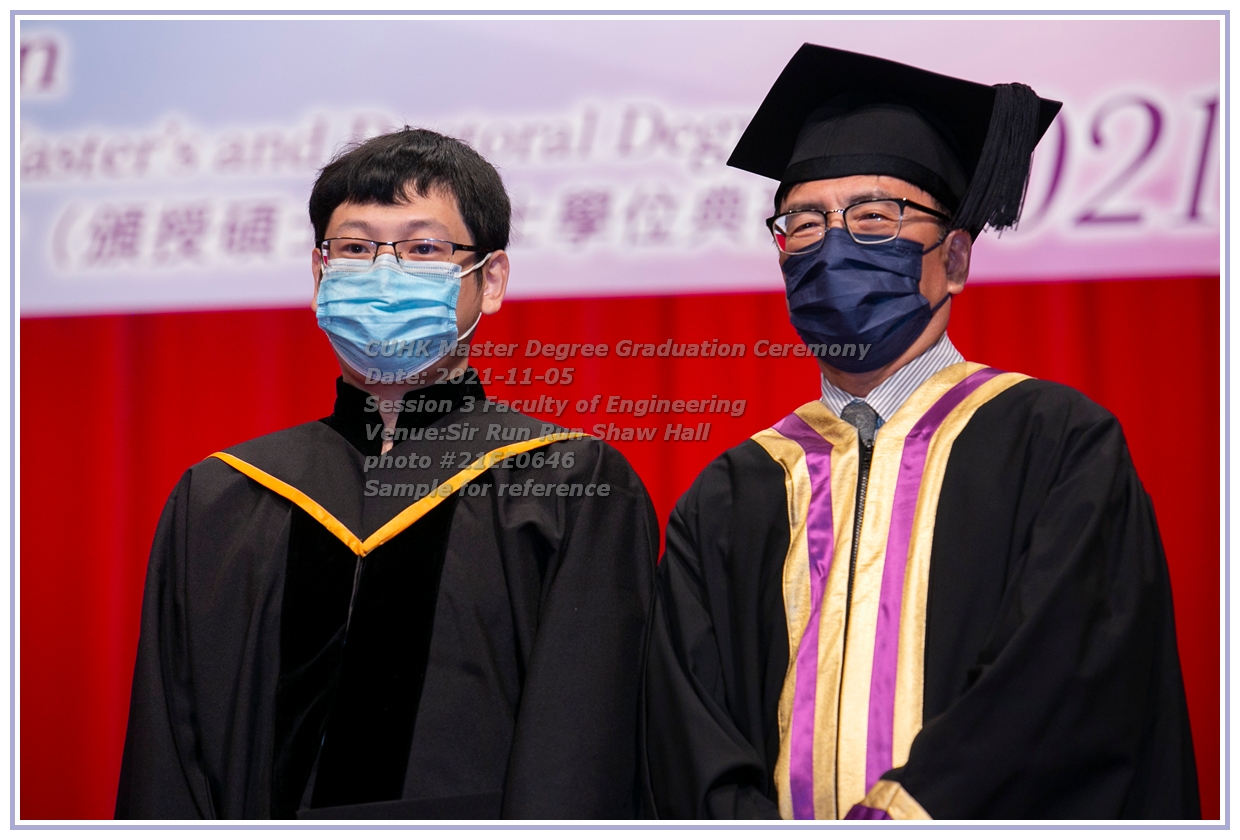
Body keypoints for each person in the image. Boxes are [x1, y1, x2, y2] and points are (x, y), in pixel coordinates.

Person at [640, 44, 1199, 820]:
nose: (833, 245)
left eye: (875, 217)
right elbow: (686, 731)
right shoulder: (733, 494)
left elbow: (1063, 682)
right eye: (803, 224)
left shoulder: (1056, 445)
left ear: (956, 258)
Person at [115, 129, 658, 820]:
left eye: (423, 248)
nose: (384, 271)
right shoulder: (224, 496)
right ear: (319, 275)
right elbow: (170, 753)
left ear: (490, 280)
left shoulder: (565, 486)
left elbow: (585, 748)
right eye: (355, 248)